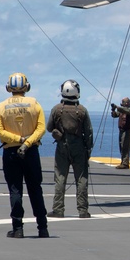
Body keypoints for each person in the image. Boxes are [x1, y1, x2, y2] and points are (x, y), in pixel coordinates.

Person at [0, 72, 49, 239]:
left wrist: (17, 139)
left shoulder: (1, 106)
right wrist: (27, 143)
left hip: (11, 152)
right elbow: (41, 129)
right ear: (27, 86)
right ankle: (42, 228)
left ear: (8, 88)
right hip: (30, 151)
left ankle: (17, 228)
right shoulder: (34, 104)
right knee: (35, 189)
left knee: (15, 190)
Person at [46, 79, 94, 219]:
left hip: (62, 146)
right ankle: (83, 210)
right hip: (79, 147)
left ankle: (58, 209)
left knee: (60, 178)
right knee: (81, 179)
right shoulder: (82, 110)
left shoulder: (56, 109)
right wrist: (88, 149)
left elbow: (49, 128)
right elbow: (89, 132)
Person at [110, 96, 130, 169]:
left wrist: (117, 107)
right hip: (122, 130)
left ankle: (125, 163)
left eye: (123, 102)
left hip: (128, 130)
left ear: (127, 103)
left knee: (125, 146)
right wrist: (113, 110)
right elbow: (115, 115)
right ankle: (123, 162)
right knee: (121, 146)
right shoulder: (121, 111)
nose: (122, 104)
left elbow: (126, 111)